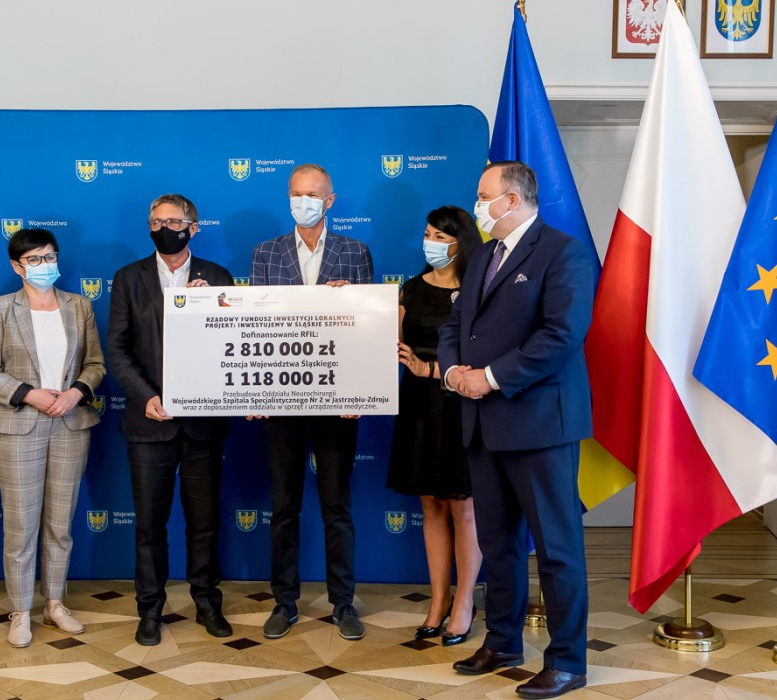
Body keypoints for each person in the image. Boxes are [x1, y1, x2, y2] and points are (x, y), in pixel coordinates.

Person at [439, 162, 595, 699]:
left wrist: (488, 377)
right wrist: (452, 372)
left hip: (539, 426)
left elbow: (562, 335)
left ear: (511, 199)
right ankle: (503, 641)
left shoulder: (563, 252)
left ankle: (567, 661)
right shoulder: (483, 256)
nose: (477, 204)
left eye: (483, 195)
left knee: (556, 548)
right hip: (483, 426)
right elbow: (455, 325)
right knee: (498, 544)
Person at [250, 163, 373, 641]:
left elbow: (367, 329)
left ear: (330, 200)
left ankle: (343, 602)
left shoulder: (355, 252)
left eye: (313, 195)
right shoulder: (265, 253)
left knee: (336, 506)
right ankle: (284, 602)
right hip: (280, 401)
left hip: (337, 402)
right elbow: (254, 329)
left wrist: (352, 300)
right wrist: (256, 393)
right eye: (296, 194)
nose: (303, 202)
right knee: (283, 506)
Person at [107, 194, 235, 645]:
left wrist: (211, 307)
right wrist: (146, 396)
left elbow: (231, 345)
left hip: (202, 423)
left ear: (193, 228)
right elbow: (117, 348)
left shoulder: (218, 277)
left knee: (204, 522)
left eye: (174, 222)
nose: (165, 229)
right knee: (149, 525)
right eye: (157, 221)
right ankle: (149, 610)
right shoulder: (128, 278)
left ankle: (207, 602)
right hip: (149, 422)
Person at [0, 228, 106, 648]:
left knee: (59, 524)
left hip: (70, 423)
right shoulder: (0, 308)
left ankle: (54, 603)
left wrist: (74, 393)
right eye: (33, 259)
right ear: (17, 266)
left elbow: (96, 364)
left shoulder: (79, 305)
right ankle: (20, 610)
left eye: (49, 256)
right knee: (20, 525)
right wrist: (29, 394)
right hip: (18, 426)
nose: (44, 265)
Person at [387, 206, 483, 646]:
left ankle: (464, 602)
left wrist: (430, 369)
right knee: (430, 505)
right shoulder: (411, 287)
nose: (431, 243)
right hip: (418, 408)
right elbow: (384, 339)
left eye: (441, 238)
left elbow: (482, 355)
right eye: (428, 234)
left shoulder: (479, 289)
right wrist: (348, 302)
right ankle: (438, 600)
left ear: (461, 243)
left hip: (461, 405)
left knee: (464, 507)